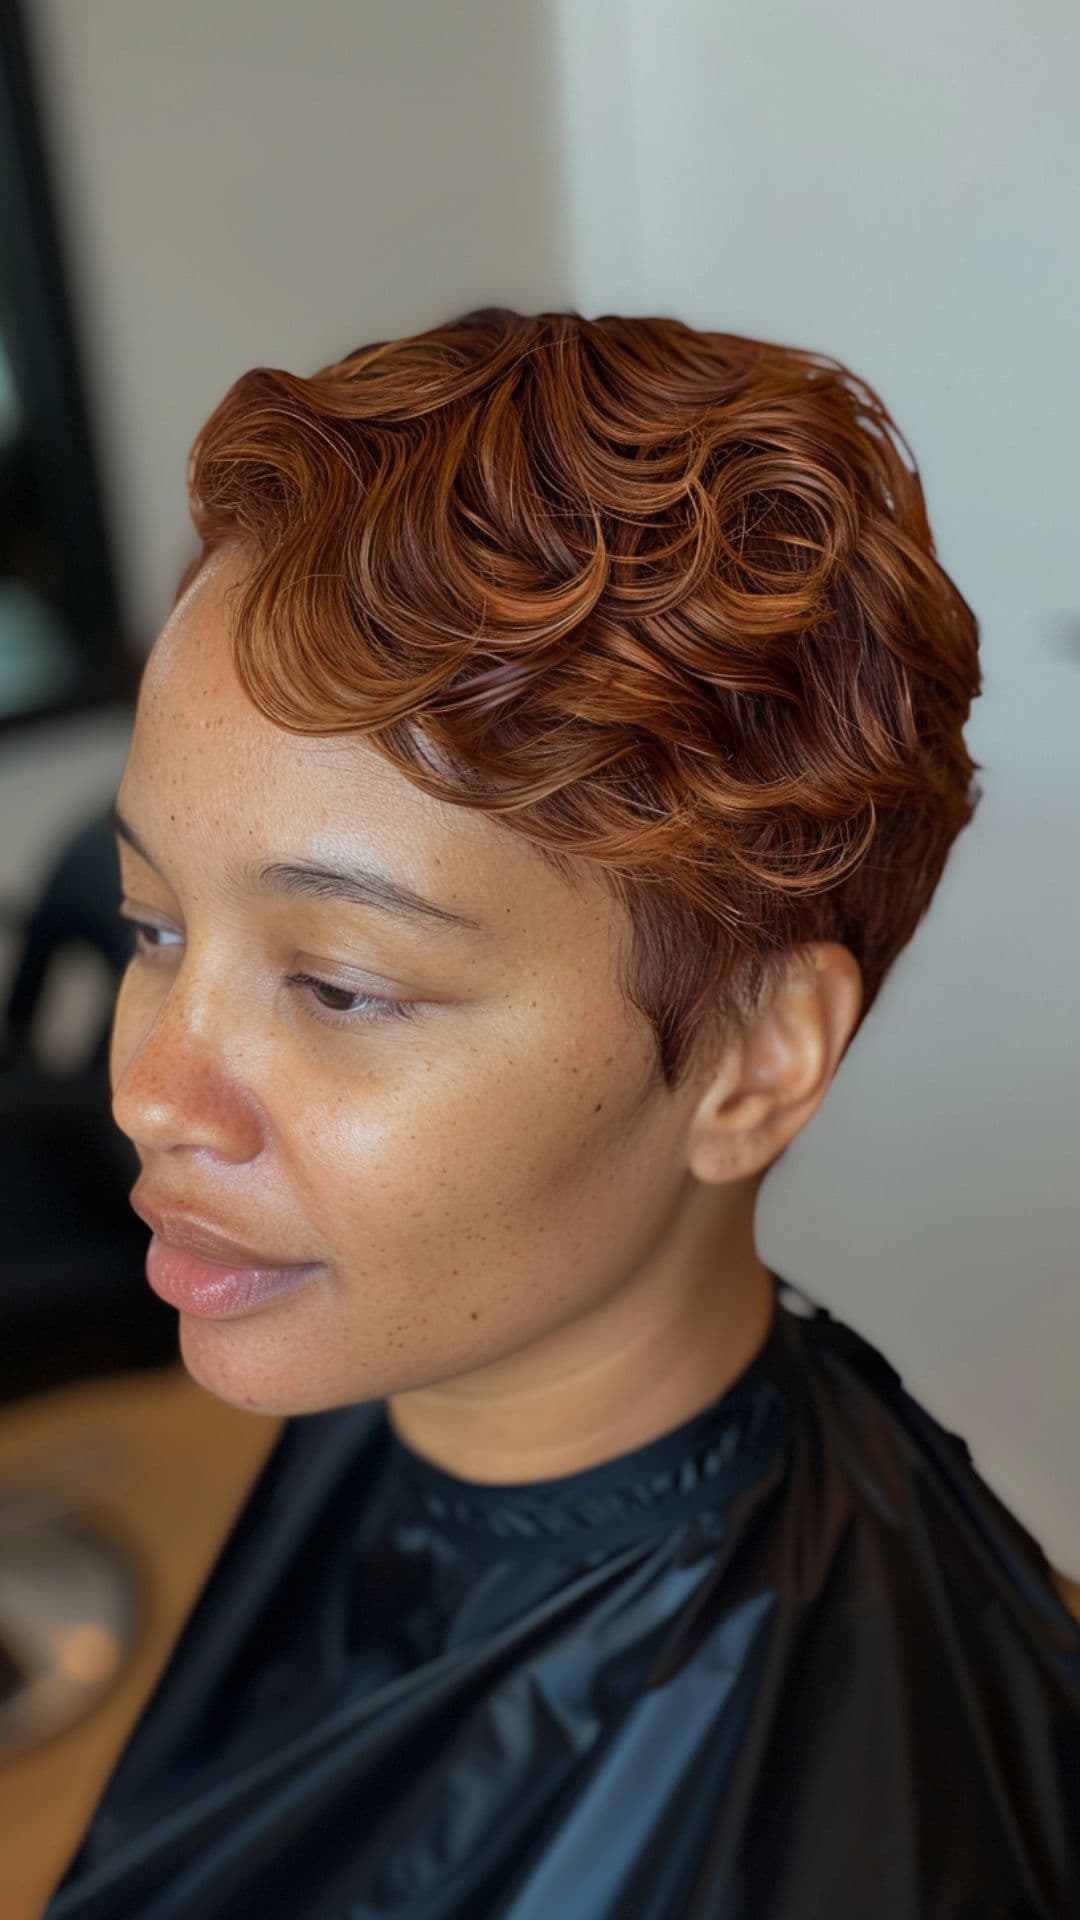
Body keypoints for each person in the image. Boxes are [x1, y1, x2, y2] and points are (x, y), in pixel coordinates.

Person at [44, 309, 1079, 1919]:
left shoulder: (819, 1831)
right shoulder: (422, 1377)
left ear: (756, 1061)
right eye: (154, 926)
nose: (152, 1089)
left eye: (338, 985)